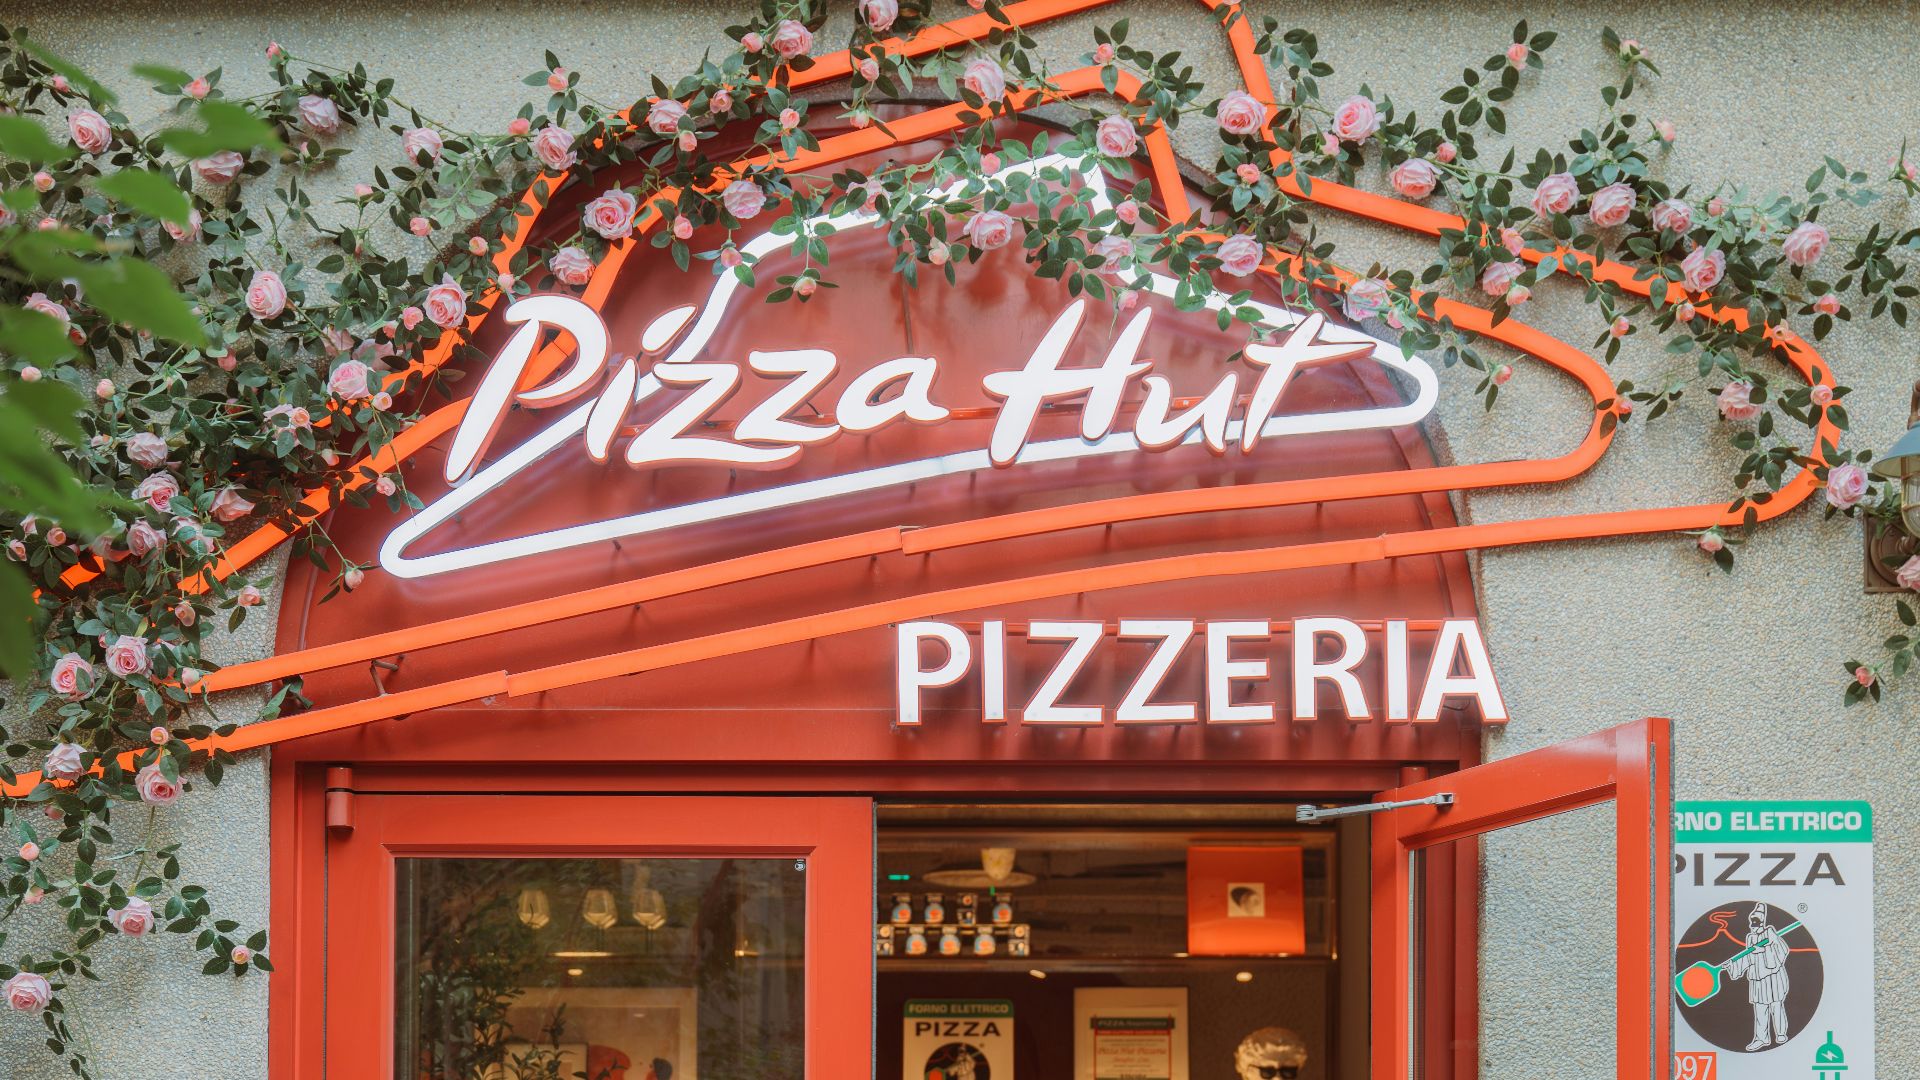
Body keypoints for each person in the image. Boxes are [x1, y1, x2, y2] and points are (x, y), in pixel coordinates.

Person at [1724, 904, 1791, 1050]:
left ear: (1761, 921)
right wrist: (1732, 964)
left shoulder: (1770, 932)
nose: (1752, 925)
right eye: (1751, 921)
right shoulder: (1750, 938)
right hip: (1757, 980)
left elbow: (1782, 950)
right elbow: (1747, 957)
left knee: (1776, 1006)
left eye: (1755, 921)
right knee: (1760, 1009)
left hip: (1772, 978)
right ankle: (1761, 1038)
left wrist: (1765, 950)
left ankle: (1780, 1034)